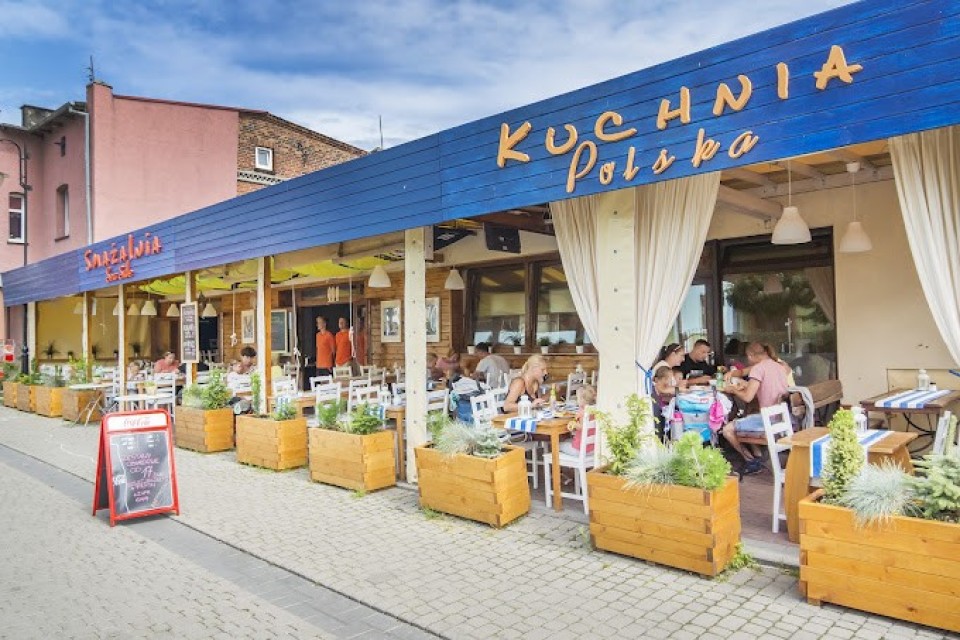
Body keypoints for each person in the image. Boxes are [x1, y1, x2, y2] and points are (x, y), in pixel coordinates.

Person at [721, 341, 789, 475]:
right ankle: (758, 456)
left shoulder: (758, 368)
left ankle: (750, 461)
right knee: (748, 419)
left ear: (750, 356)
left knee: (727, 430)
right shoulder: (780, 366)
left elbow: (747, 397)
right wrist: (746, 385)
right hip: (782, 416)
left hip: (768, 420)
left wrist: (733, 390)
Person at [560, 385, 597, 456]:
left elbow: (582, 427)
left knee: (558, 445)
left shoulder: (583, 412)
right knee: (567, 440)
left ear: (582, 399)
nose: (577, 400)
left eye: (577, 398)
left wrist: (575, 425)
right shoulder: (594, 410)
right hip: (592, 449)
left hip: (579, 450)